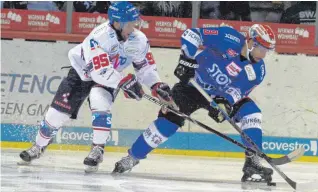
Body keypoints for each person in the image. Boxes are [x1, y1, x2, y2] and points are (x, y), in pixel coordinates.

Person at [18, 1, 173, 173]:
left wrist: (156, 84)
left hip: (111, 75)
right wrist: (124, 82)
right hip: (82, 73)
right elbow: (99, 72)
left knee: (100, 102)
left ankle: (97, 149)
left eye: (135, 23)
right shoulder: (99, 37)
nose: (134, 27)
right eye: (130, 23)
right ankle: (39, 146)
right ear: (117, 23)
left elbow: (144, 67)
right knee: (56, 115)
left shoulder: (139, 39)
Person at [113, 24, 276, 184]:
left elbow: (237, 91)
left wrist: (225, 103)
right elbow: (192, 34)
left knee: (251, 112)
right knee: (169, 122)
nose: (263, 55)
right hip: (191, 87)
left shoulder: (258, 70)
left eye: (267, 51)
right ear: (251, 42)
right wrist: (186, 59)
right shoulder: (229, 37)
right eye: (262, 49)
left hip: (218, 96)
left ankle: (253, 162)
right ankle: (132, 157)